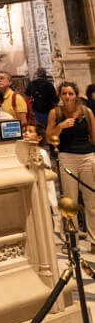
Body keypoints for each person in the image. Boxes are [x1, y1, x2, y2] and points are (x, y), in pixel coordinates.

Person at [47, 82, 95, 252]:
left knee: (92, 201)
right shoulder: (55, 113)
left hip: (87, 157)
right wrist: (60, 126)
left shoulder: (86, 112)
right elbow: (48, 138)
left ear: (76, 95)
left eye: (70, 94)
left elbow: (94, 137)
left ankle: (94, 240)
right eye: (64, 94)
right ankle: (71, 240)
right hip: (67, 157)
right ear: (60, 95)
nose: (67, 97)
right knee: (70, 201)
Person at [23, 122, 60, 229]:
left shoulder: (42, 153)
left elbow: (47, 171)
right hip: (32, 188)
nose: (26, 133)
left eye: (30, 131)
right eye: (24, 131)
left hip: (43, 190)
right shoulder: (24, 151)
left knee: (46, 216)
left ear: (39, 138)